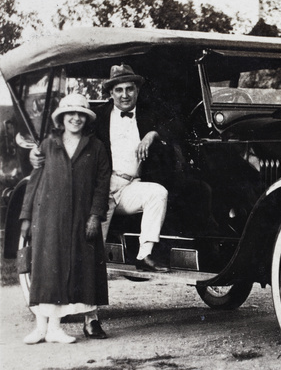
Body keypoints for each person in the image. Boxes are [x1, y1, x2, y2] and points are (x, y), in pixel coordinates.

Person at [20, 93, 111, 344]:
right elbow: (34, 181)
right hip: (48, 216)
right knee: (45, 270)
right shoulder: (48, 145)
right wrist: (26, 216)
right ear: (61, 117)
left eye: (81, 113)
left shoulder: (96, 147)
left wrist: (95, 215)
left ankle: (55, 328)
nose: (75, 118)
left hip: (80, 218)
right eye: (70, 113)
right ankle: (41, 328)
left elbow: (102, 184)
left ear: (87, 118)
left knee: (68, 270)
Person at [94, 63, 170, 273]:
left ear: (137, 90)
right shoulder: (98, 116)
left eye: (130, 89)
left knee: (158, 193)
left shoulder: (147, 114)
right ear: (111, 93)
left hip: (130, 187)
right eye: (119, 90)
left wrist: (152, 134)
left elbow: (173, 127)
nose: (125, 95)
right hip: (104, 187)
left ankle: (144, 255)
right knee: (93, 254)